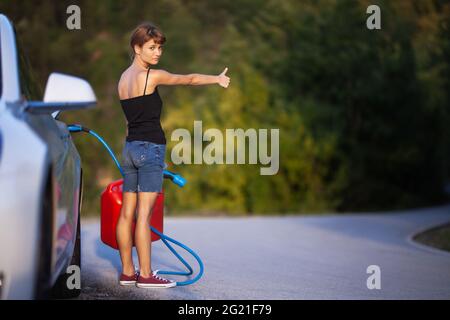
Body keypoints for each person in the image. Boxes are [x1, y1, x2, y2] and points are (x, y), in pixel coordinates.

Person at [116, 22, 230, 288]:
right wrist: (216, 79)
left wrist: (141, 151)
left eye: (160, 48)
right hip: (149, 148)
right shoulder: (151, 77)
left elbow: (130, 120)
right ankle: (145, 275)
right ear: (137, 48)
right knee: (144, 216)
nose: (157, 54)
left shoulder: (122, 79)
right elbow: (189, 79)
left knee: (126, 215)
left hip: (130, 148)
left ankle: (127, 271)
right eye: (151, 48)